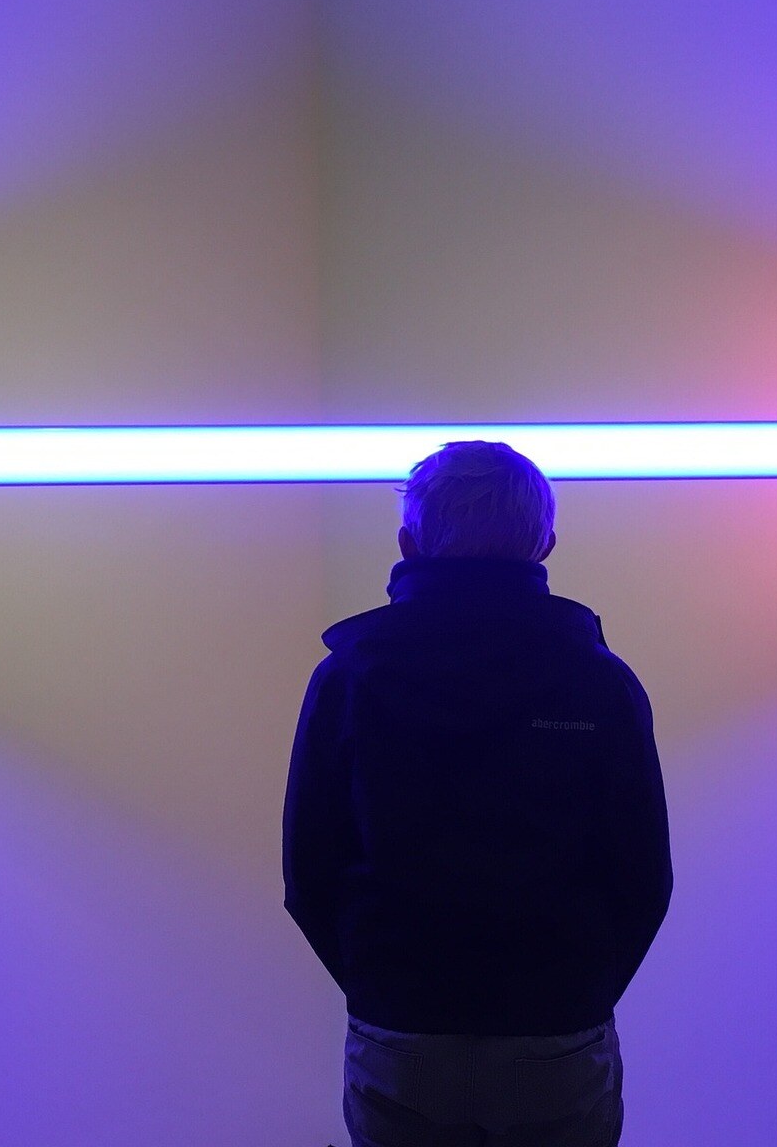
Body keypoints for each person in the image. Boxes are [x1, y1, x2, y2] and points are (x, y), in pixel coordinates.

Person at [283, 440, 673, 1147]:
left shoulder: (348, 678)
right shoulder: (599, 681)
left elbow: (309, 872)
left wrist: (384, 984)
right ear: (545, 543)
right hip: (557, 1029)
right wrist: (574, 988)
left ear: (409, 541)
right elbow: (642, 876)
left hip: (402, 1028)